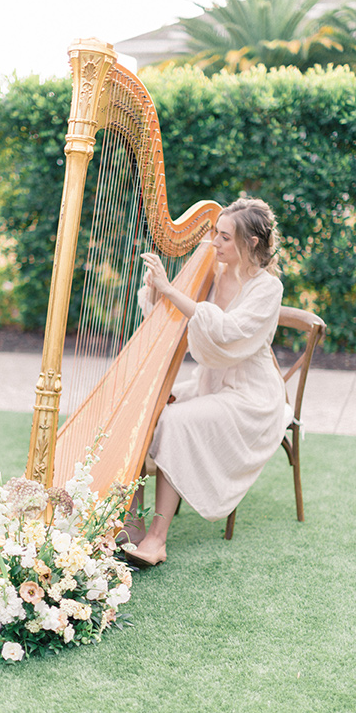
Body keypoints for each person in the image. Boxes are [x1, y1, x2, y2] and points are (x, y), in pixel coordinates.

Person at [125, 197, 290, 567]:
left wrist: (171, 291)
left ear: (250, 243)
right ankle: (131, 524)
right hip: (210, 384)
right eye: (215, 233)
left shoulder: (267, 289)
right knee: (146, 408)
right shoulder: (211, 273)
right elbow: (169, 321)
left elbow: (227, 331)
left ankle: (156, 539)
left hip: (252, 398)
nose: (214, 242)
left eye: (225, 237)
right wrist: (157, 288)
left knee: (174, 421)